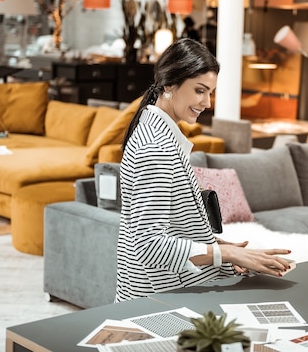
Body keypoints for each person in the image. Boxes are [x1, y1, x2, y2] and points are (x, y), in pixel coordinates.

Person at [115, 38, 292, 302]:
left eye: (210, 92)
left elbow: (170, 230)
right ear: (169, 84)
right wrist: (227, 255)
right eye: (199, 90)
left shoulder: (159, 135)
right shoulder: (156, 148)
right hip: (157, 299)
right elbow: (148, 246)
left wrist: (223, 249)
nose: (207, 103)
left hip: (161, 292)